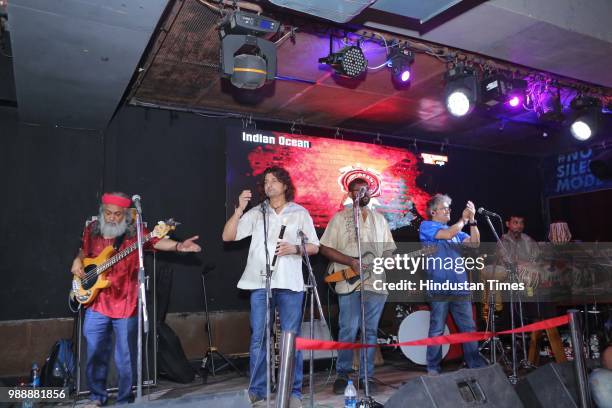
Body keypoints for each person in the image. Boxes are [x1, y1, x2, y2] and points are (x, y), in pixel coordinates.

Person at [70, 192, 201, 405]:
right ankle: (96, 397)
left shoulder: (136, 231)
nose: (112, 217)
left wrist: (178, 246)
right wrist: (77, 260)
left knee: (124, 358)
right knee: (94, 354)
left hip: (125, 302)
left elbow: (157, 242)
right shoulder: (91, 229)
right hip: (96, 301)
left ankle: (125, 399)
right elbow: (83, 251)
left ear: (126, 214)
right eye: (108, 213)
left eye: (117, 214)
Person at [222, 166, 319, 407]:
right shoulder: (257, 212)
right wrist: (239, 211)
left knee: (291, 339)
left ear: (285, 185)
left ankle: (293, 392)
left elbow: (315, 247)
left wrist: (294, 249)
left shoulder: (300, 213)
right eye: (266, 181)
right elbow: (228, 236)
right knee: (259, 339)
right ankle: (258, 391)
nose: (269, 185)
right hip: (260, 282)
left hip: (290, 283)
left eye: (274, 181)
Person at [319, 177, 396, 394]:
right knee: (348, 329)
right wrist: (351, 262)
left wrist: (387, 258)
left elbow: (389, 248)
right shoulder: (338, 218)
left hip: (376, 283)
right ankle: (343, 375)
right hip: (348, 282)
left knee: (370, 331)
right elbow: (324, 248)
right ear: (350, 193)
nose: (362, 193)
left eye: (365, 189)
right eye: (356, 190)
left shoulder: (380, 220)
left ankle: (366, 376)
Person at [419, 193, 485, 375]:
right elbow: (447, 233)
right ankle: (433, 369)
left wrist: (472, 221)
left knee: (468, 328)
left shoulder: (456, 231)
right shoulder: (427, 226)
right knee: (437, 328)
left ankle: (475, 366)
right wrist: (463, 219)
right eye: (444, 207)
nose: (448, 210)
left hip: (459, 287)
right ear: (433, 211)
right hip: (439, 286)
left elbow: (474, 243)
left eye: (449, 207)